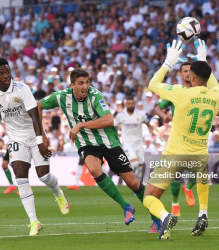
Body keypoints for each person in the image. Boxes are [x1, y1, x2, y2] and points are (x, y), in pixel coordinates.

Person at [37, 68, 162, 232]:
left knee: (133, 183)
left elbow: (109, 120)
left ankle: (156, 216)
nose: (85, 87)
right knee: (95, 169)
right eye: (80, 83)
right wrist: (42, 135)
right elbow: (38, 106)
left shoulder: (95, 96)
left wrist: (80, 125)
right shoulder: (61, 97)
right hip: (86, 143)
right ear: (72, 84)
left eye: (87, 82)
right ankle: (126, 206)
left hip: (108, 142)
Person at [0, 58, 69, 236]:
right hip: (15, 139)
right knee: (21, 178)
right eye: (1, 73)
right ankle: (34, 221)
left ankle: (58, 194)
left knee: (43, 176)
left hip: (34, 135)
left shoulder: (22, 89)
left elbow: (35, 116)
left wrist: (40, 141)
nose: (6, 75)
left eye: (7, 71)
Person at [143, 40, 219, 239]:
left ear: (192, 77)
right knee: (201, 176)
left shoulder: (180, 93)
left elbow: (152, 85)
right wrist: (203, 60)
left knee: (149, 196)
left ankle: (166, 215)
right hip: (199, 155)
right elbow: (211, 81)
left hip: (174, 155)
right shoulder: (216, 95)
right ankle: (203, 214)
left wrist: (168, 63)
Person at [154, 62, 219, 217]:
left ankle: (187, 190)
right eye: (184, 71)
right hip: (179, 141)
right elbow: (158, 107)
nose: (187, 73)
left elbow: (210, 108)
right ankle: (177, 205)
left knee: (197, 173)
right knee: (180, 176)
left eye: (189, 71)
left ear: (193, 75)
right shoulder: (177, 91)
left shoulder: (184, 92)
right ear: (180, 75)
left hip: (190, 142)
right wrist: (163, 115)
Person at [115, 95, 152, 182]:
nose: (130, 105)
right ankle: (127, 177)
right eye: (128, 104)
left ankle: (137, 187)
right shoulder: (120, 115)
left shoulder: (141, 114)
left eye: (132, 103)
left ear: (134, 103)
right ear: (125, 104)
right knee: (134, 163)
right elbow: (114, 127)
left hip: (139, 142)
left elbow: (148, 124)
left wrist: (151, 131)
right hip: (127, 143)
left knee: (139, 166)